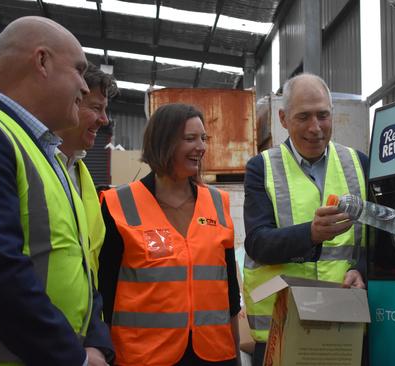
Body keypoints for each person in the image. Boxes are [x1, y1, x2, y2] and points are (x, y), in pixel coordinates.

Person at [0, 16, 113, 365]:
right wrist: (74, 356)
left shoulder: (49, 156)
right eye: (78, 70)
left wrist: (98, 343)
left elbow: (83, 265)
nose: (85, 89)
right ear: (41, 61)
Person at [99, 103, 241, 365]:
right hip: (144, 356)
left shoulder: (217, 203)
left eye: (203, 138)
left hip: (213, 354)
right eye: (190, 138)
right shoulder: (119, 204)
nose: (201, 147)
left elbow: (230, 291)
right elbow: (105, 291)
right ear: (163, 142)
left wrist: (235, 356)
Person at [242, 73, 369, 365]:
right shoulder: (261, 168)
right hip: (286, 329)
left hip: (344, 326)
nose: (316, 128)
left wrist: (361, 269)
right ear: (284, 118)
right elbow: (258, 243)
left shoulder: (359, 164)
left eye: (323, 115)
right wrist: (310, 235)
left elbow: (377, 239)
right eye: (304, 117)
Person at [56, 62, 119, 282]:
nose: (105, 120)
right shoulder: (32, 162)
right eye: (96, 108)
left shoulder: (80, 172)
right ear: (69, 103)